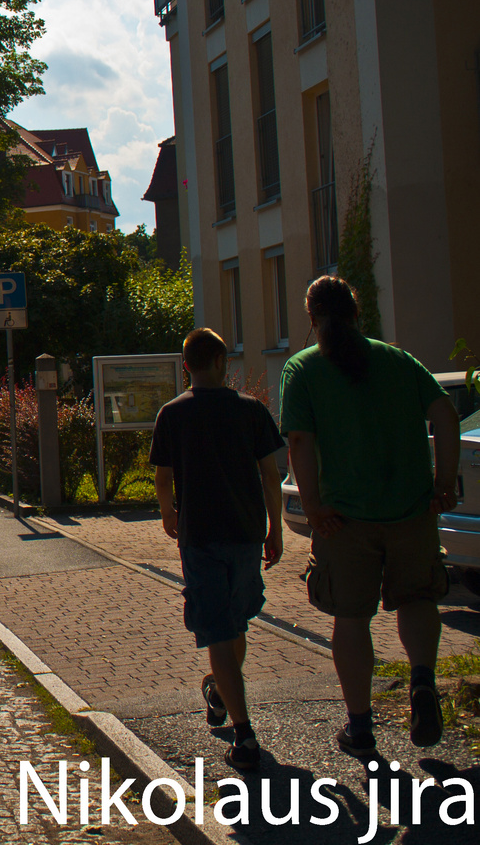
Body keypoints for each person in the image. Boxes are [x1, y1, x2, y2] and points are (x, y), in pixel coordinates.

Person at [281, 275, 459, 757]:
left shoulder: (304, 369)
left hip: (345, 519)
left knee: (352, 617)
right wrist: (445, 483)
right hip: (411, 508)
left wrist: (313, 505)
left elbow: (298, 440)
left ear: (312, 318)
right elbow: (444, 412)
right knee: (418, 598)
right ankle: (422, 679)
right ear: (358, 314)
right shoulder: (398, 360)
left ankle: (360, 726)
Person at [150, 327, 285, 774]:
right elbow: (270, 474)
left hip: (200, 535)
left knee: (225, 625)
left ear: (185, 365)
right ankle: (244, 732)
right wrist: (276, 529)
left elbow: (164, 476)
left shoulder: (172, 413)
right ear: (223, 363)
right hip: (246, 531)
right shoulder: (251, 411)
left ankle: (218, 688)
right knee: (231, 623)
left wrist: (169, 514)